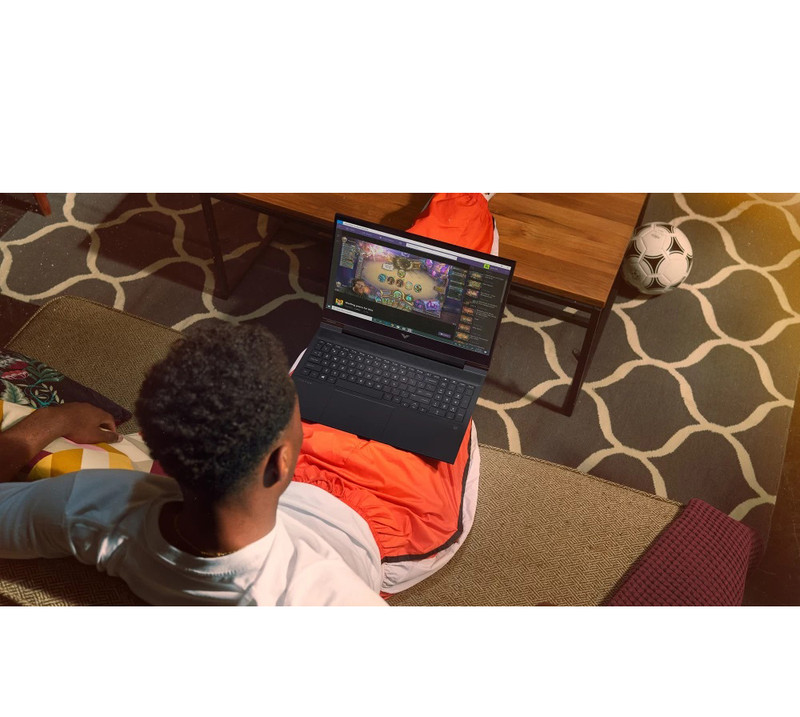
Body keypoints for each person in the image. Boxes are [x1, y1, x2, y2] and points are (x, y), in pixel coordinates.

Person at [0, 193, 493, 606]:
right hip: (386, 515)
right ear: (280, 460)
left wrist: (53, 418)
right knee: (431, 336)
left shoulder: (98, 510)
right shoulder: (321, 595)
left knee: (366, 335)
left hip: (260, 479)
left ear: (160, 454)